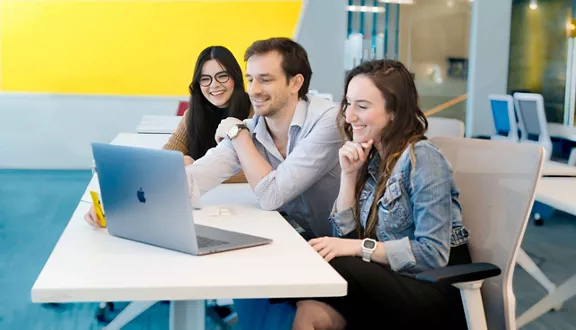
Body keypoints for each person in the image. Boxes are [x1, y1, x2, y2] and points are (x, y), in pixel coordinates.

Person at [84, 37, 342, 328]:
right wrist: (114, 202)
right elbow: (192, 179)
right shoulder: (252, 128)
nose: (254, 90)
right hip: (297, 240)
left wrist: (239, 134)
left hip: (343, 249)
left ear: (295, 83)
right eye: (251, 79)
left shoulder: (327, 120)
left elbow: (272, 195)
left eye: (265, 80)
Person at [289, 59, 472, 329]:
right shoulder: (372, 159)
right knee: (310, 308)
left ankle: (279, 281)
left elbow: (432, 254)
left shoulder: (422, 158)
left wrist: (358, 247)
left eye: (361, 106)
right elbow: (346, 238)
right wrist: (349, 176)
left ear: (395, 112)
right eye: (348, 104)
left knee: (325, 261)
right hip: (386, 283)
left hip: (431, 290)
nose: (350, 116)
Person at [163, 45, 252, 168]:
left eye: (222, 76)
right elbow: (166, 157)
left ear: (235, 77)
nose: (214, 85)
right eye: (205, 79)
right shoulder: (192, 115)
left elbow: (257, 167)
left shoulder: (255, 112)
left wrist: (197, 166)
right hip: (202, 187)